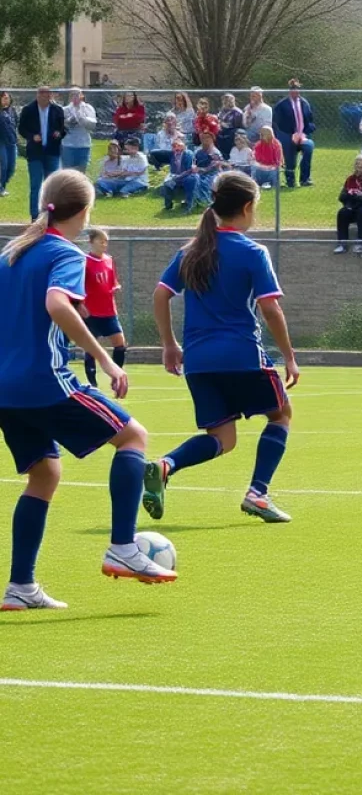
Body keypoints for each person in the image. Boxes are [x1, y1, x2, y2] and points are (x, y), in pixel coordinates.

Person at [0, 170, 176, 609]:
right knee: (133, 436)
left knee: (44, 473)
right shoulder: (65, 253)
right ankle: (123, 546)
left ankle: (21, 588)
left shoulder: (10, 254)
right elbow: (57, 304)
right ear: (85, 211)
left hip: (6, 388)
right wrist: (102, 357)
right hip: (45, 381)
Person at [147, 172, 298, 524]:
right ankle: (258, 493)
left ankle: (165, 464)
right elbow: (270, 308)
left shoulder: (191, 251)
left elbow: (160, 294)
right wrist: (289, 356)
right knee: (281, 415)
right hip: (242, 355)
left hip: (198, 362)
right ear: (247, 207)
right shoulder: (252, 252)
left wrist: (169, 345)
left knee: (222, 437)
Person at [80, 228, 128, 389]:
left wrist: (115, 287)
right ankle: (93, 383)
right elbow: (78, 286)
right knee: (91, 346)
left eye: (106, 241)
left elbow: (113, 282)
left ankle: (117, 377)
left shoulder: (109, 260)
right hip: (91, 312)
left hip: (109, 311)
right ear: (91, 242)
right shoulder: (84, 261)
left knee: (120, 343)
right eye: (100, 241)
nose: (104, 244)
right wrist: (80, 304)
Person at [18, 85, 65, 220]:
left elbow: (63, 129)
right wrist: (31, 136)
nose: (46, 98)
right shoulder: (28, 110)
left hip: (52, 152)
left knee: (52, 185)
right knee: (36, 184)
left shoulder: (57, 110)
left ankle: (50, 215)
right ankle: (35, 215)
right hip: (35, 153)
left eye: (48, 95)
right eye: (43, 95)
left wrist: (58, 134)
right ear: (37, 95)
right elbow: (21, 128)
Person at [272, 79, 316, 188]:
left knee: (309, 148)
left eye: (298, 91)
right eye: (293, 90)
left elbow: (309, 120)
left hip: (303, 135)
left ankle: (305, 179)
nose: (296, 93)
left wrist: (304, 133)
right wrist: (291, 134)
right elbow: (277, 122)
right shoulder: (282, 105)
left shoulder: (304, 103)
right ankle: (290, 181)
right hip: (287, 135)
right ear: (290, 91)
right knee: (290, 160)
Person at [61, 87, 96, 172]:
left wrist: (82, 119)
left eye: (77, 94)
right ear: (70, 97)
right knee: (67, 172)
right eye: (73, 95)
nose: (75, 97)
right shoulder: (65, 110)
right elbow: (59, 126)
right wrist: (68, 121)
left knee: (81, 172)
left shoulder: (88, 108)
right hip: (68, 145)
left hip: (84, 145)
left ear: (82, 95)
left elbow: (93, 125)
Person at [162, 137, 198, 212]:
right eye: (174, 146)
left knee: (188, 180)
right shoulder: (173, 155)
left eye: (178, 145)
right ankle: (168, 206)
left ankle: (189, 204)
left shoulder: (188, 154)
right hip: (177, 176)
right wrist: (172, 176)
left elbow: (189, 170)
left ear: (183, 146)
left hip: (187, 176)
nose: (176, 148)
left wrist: (179, 176)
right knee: (166, 182)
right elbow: (172, 170)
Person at [192, 131, 225, 206]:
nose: (205, 139)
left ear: (212, 139)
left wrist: (199, 169)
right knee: (193, 179)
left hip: (213, 173)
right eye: (203, 138)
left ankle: (206, 201)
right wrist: (193, 167)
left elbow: (211, 167)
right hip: (200, 172)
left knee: (206, 181)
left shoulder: (215, 152)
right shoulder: (197, 150)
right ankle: (194, 200)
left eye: (207, 137)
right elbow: (193, 162)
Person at [252, 125, 283, 190]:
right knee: (254, 167)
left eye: (263, 133)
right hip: (262, 166)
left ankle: (275, 185)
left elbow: (278, 160)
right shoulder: (258, 144)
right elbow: (256, 159)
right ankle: (255, 184)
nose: (261, 135)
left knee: (274, 171)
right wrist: (262, 165)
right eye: (261, 133)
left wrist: (271, 166)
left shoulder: (276, 145)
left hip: (273, 167)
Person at [0, 90, 19, 196]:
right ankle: (1, 188)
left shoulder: (12, 110)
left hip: (12, 142)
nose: (6, 99)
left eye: (7, 98)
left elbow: (15, 123)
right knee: (4, 165)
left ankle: (2, 185)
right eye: (4, 97)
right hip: (1, 142)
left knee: (11, 167)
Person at [217, 94, 245, 159]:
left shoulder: (237, 112)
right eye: (224, 100)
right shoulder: (222, 111)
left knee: (232, 133)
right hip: (222, 131)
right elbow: (218, 119)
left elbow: (234, 125)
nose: (225, 102)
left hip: (232, 132)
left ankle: (228, 156)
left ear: (233, 101)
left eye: (228, 100)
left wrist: (221, 123)